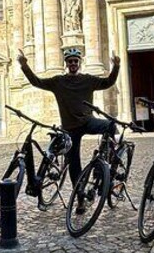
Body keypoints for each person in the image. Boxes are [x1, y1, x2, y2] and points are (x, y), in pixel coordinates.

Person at [17, 47, 120, 210]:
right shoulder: (58, 81)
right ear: (66, 63)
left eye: (75, 61)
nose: (73, 63)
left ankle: (107, 157)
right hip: (70, 129)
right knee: (74, 165)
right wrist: (24, 66)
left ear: (79, 63)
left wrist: (116, 66)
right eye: (70, 61)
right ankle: (79, 199)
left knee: (111, 125)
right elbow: (36, 82)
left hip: (88, 121)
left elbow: (108, 82)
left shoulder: (88, 80)